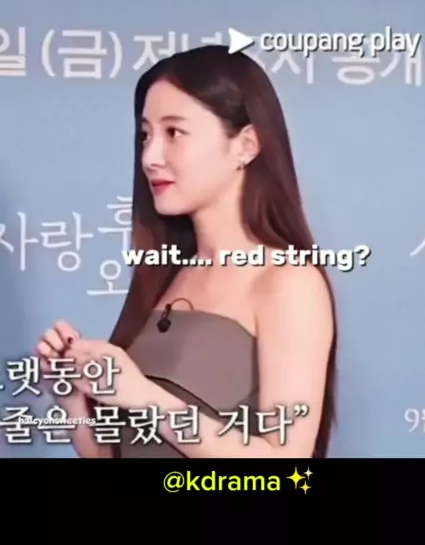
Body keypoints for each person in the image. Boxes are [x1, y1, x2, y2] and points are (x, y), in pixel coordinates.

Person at [36, 45, 337, 458]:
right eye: (145, 135)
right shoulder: (166, 274)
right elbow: (116, 455)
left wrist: (144, 397)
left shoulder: (287, 282)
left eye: (174, 133)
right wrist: (72, 397)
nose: (150, 157)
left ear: (246, 145)